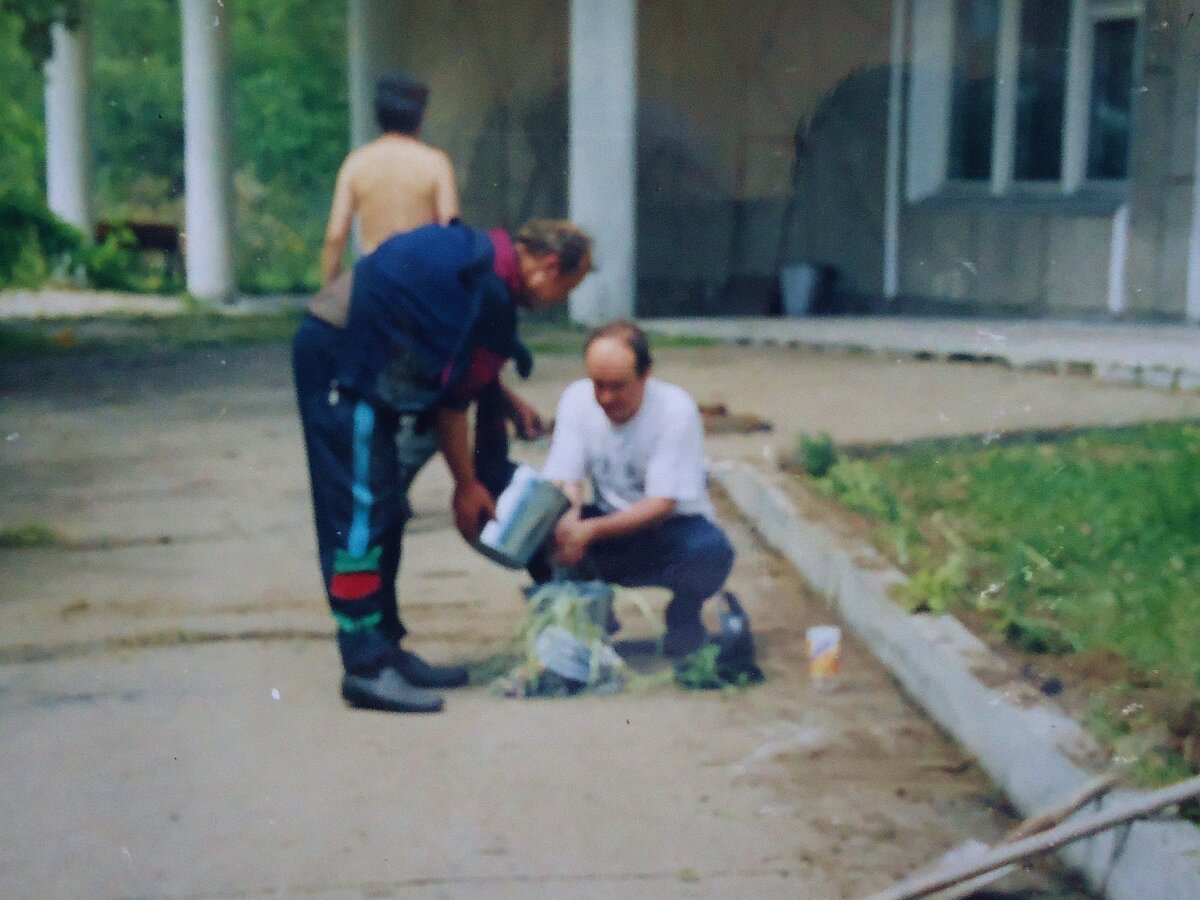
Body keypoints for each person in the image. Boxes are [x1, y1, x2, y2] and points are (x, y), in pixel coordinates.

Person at [293, 220, 592, 714]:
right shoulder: (487, 291)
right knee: (359, 512)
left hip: (357, 351)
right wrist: (466, 485)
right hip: (345, 363)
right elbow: (453, 407)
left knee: (383, 508)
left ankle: (385, 646)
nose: (558, 299)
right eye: (566, 286)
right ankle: (365, 664)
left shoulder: (480, 259)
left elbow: (459, 365)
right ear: (549, 265)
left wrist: (501, 397)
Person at [542, 320, 736, 657]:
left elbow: (662, 503)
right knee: (535, 531)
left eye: (618, 386)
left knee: (711, 552)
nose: (605, 397)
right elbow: (565, 477)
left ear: (646, 375)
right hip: (607, 525)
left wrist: (589, 531)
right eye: (598, 385)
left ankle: (684, 615)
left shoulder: (675, 409)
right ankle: (590, 618)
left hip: (671, 529)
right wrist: (569, 518)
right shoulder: (575, 399)